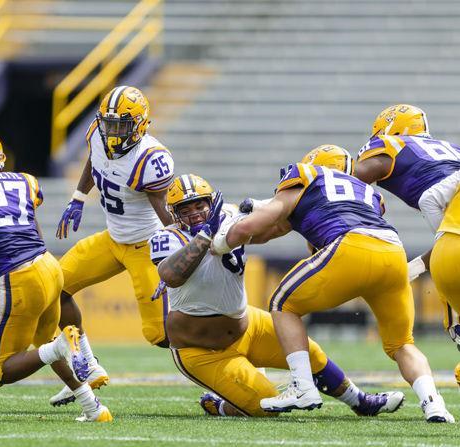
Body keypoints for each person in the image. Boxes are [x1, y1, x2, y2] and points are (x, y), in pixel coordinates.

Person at [211, 145, 454, 422]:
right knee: (402, 344)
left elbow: (257, 226)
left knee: (282, 303)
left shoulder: (305, 175)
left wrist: (222, 241)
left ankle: (303, 387)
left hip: (350, 247)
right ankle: (434, 404)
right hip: (393, 253)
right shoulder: (368, 192)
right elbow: (277, 229)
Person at [149, 174, 404, 417]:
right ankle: (219, 405)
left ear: (211, 202)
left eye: (200, 205)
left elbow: (273, 221)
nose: (195, 214)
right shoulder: (168, 237)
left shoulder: (228, 214)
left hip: (246, 325)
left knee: (310, 352)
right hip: (202, 350)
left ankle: (360, 401)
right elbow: (172, 275)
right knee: (264, 404)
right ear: (175, 214)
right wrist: (207, 234)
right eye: (185, 209)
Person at [0, 126, 111, 422]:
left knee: (0, 370)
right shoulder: (24, 180)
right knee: (46, 343)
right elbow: (30, 233)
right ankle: (94, 407)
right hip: (47, 265)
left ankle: (65, 347)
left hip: (18, 274)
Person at [51, 86, 174, 406]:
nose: (113, 132)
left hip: (146, 245)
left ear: (141, 124)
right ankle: (86, 366)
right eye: (109, 124)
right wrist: (78, 197)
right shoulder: (97, 134)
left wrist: (177, 248)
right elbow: (95, 160)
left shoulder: (150, 158)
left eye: (121, 125)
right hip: (112, 239)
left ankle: (215, 367)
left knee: (162, 335)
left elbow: (167, 213)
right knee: (54, 287)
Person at [353, 104, 460, 382]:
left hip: (440, 196)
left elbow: (350, 179)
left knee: (449, 277)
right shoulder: (450, 148)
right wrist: (414, 268)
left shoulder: (390, 144)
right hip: (452, 201)